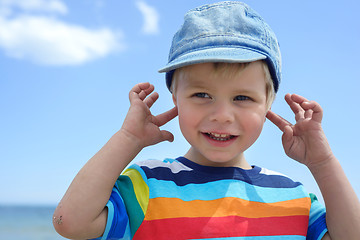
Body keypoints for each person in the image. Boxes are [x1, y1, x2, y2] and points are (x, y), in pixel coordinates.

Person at [53, 1, 360, 239]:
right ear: (175, 98)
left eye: (242, 98)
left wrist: (322, 163)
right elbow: (70, 222)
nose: (222, 115)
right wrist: (128, 140)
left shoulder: (291, 196)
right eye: (202, 95)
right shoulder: (147, 185)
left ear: (268, 104)